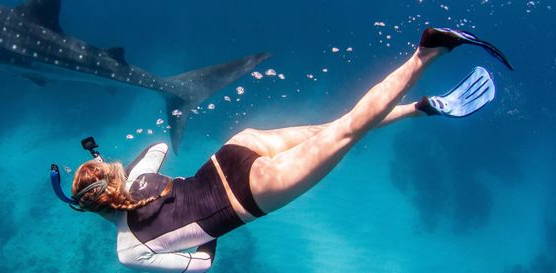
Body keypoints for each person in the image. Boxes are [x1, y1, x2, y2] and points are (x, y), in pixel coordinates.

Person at [66, 28, 512, 273]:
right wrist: (114, 167)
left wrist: (203, 231)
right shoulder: (141, 175)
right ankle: (424, 108)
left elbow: (199, 264)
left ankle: (426, 53)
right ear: (112, 177)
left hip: (250, 193)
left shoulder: (128, 252)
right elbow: (160, 146)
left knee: (346, 133)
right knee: (338, 127)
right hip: (235, 152)